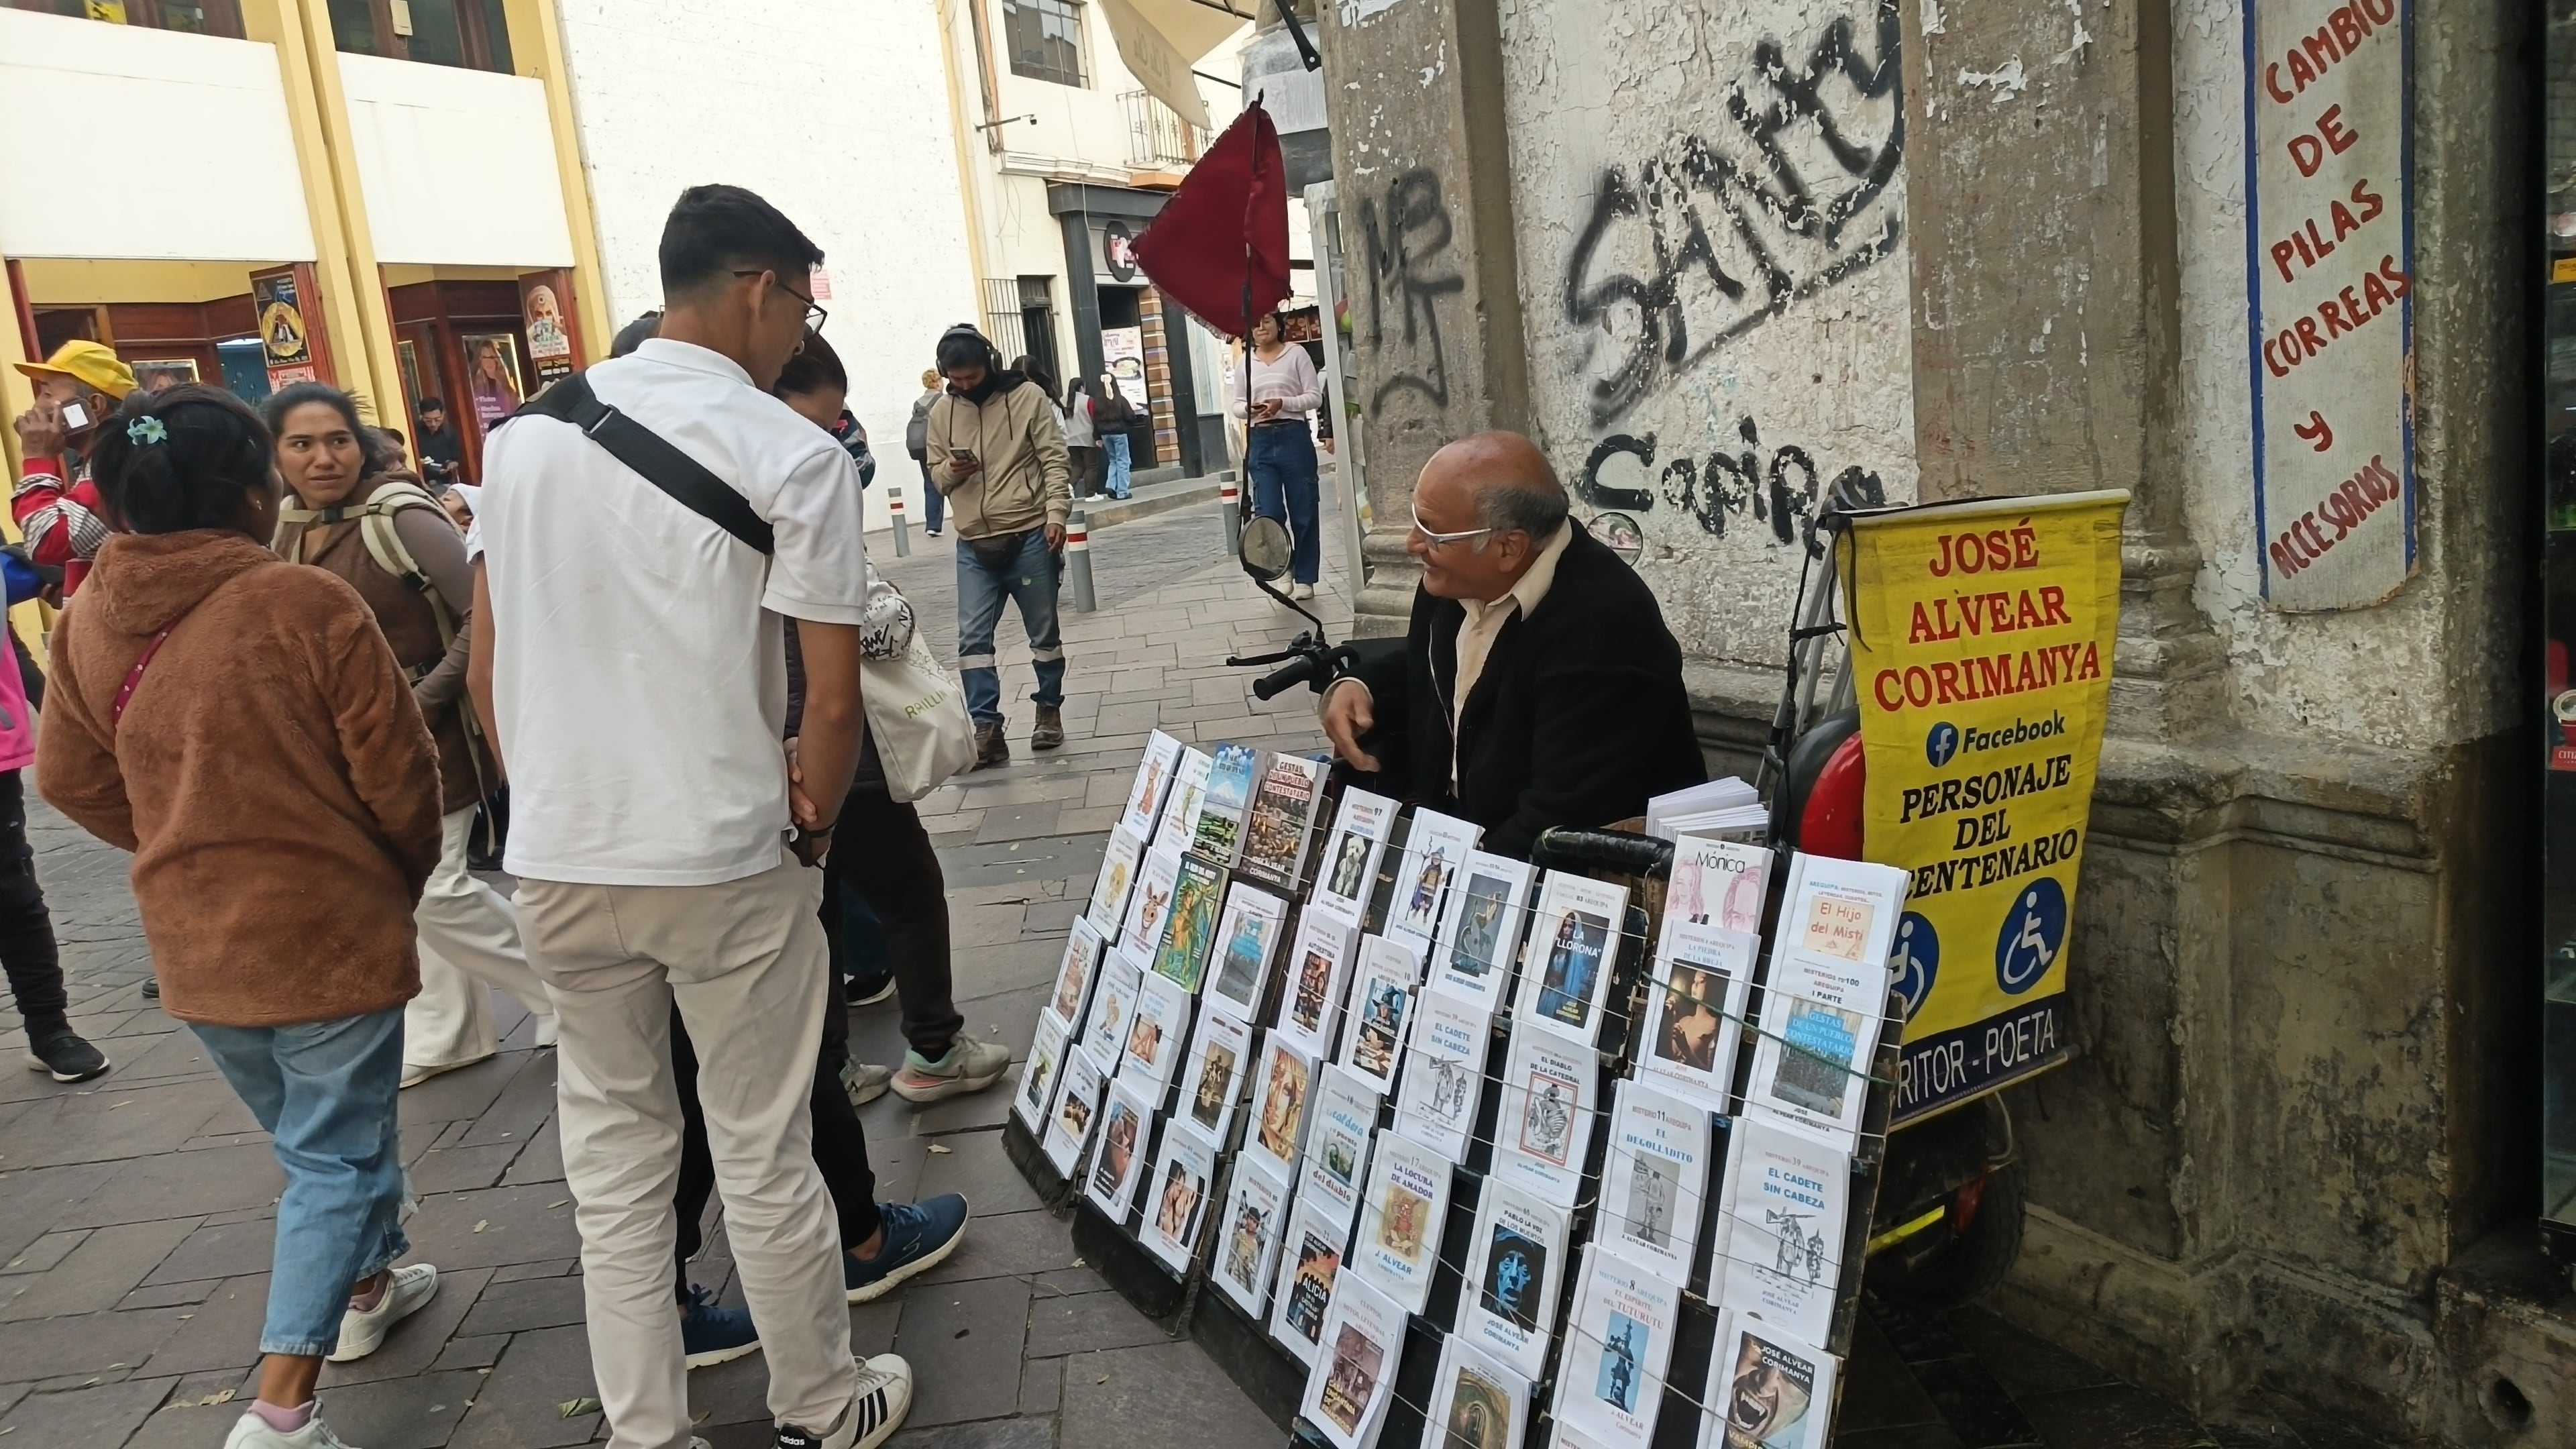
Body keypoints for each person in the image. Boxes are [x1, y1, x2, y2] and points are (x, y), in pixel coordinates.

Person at [474, 183, 912, 1449]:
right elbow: (833, 699)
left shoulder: (525, 439)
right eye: (804, 310)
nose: (800, 335)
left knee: (615, 1161)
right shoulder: (793, 453)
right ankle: (820, 1404)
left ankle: (647, 1432)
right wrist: (812, 828)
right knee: (762, 1145)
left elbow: (491, 669)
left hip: (559, 858)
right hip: (722, 853)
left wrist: (546, 804)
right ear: (761, 288)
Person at [38, 385, 447, 1449]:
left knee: (316, 1140)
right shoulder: (306, 603)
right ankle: (280, 1409)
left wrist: (174, 836)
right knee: (333, 1158)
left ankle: (368, 1281)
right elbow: (399, 774)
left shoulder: (87, 615)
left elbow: (68, 778)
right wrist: (393, 870)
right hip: (327, 929)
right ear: (252, 490)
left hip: (193, 938)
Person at [266, 383, 558, 1087]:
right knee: (407, 888)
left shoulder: (401, 515)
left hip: (436, 729)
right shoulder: (289, 524)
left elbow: (482, 616)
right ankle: (449, 1033)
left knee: (436, 887)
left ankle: (565, 990)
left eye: (337, 440)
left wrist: (420, 702)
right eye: (301, 444)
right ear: (275, 455)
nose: (323, 458)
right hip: (354, 737)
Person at [773, 334, 1009, 1105]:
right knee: (908, 891)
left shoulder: (708, 485)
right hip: (845, 746)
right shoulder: (797, 486)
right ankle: (935, 1050)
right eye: (822, 422)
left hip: (771, 746)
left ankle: (833, 1066)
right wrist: (891, 603)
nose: (831, 443)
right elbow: (873, 629)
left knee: (819, 910)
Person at [1320, 431, 1707, 859]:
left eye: (1433, 534)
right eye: (1417, 521)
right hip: (1459, 835)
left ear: (1508, 547)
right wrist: (1362, 685)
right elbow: (1442, 672)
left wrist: (1444, 875)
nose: (1413, 544)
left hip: (1558, 869)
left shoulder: (1604, 628)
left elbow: (1562, 819)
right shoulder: (1455, 579)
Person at [926, 325, 1073, 769]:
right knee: (972, 639)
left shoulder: (1028, 397)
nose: (964, 385)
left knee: (1044, 636)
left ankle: (1048, 711)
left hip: (1029, 534)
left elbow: (1054, 458)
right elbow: (935, 476)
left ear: (989, 363)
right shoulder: (942, 411)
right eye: (956, 379)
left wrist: (1056, 514)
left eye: (972, 376)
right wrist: (952, 471)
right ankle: (987, 728)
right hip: (974, 542)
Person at [11, 339, 136, 598]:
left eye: (48, 394)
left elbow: (45, 542)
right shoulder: (107, 461)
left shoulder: (112, 471)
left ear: (94, 406)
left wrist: (37, 459)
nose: (37, 405)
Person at [1231, 311, 1325, 600]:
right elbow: (1237, 404)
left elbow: (1314, 396)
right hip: (1260, 439)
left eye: (1267, 321)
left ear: (1278, 325)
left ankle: (1306, 577)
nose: (1261, 327)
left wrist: (1283, 403)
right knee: (1268, 510)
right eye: (1256, 324)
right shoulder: (1245, 362)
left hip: (1293, 436)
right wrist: (1250, 410)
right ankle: (1283, 567)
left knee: (1304, 510)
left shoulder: (1296, 354)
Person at [904, 368, 946, 537]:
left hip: (921, 448)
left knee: (930, 484)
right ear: (937, 382)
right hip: (938, 447)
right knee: (951, 481)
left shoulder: (918, 403)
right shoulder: (942, 400)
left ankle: (933, 525)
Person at [1092, 372, 1135, 500]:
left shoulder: (1097, 401)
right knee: (1123, 461)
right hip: (1119, 433)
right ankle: (1122, 492)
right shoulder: (1120, 399)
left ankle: (1111, 485)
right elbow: (1130, 416)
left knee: (1113, 461)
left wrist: (1097, 437)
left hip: (1105, 435)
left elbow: (1095, 420)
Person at [413, 397, 466, 488]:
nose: (433, 424)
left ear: (443, 415)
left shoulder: (450, 433)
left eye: (437, 419)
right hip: (421, 483)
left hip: (444, 483)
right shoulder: (414, 432)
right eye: (428, 420)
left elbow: (456, 461)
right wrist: (418, 462)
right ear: (421, 416)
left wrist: (450, 466)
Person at [1063, 378, 1101, 500]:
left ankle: (1070, 485)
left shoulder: (1062, 400)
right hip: (1087, 438)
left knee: (1077, 465)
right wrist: (1098, 437)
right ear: (1081, 388)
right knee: (1091, 467)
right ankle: (1090, 494)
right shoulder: (1088, 400)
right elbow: (1095, 418)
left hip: (1070, 439)